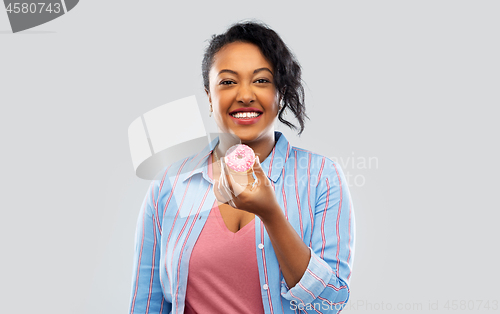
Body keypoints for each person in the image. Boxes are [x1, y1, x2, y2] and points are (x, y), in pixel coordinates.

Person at [129, 21, 355, 314]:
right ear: (210, 97)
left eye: (261, 80)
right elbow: (147, 303)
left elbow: (330, 303)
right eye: (227, 81)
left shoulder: (322, 178)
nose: (245, 94)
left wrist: (271, 215)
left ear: (281, 93)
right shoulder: (169, 184)